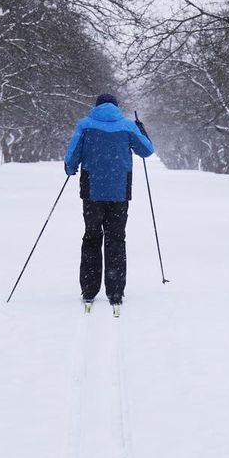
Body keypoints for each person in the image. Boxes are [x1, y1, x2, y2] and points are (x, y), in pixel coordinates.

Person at [63, 93, 154, 316]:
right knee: (116, 239)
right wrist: (141, 129)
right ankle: (115, 291)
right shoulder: (127, 126)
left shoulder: (85, 125)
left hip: (92, 190)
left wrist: (71, 168)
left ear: (97, 106)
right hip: (119, 191)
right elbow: (146, 150)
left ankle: (89, 289)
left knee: (91, 237)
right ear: (116, 107)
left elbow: (71, 156)